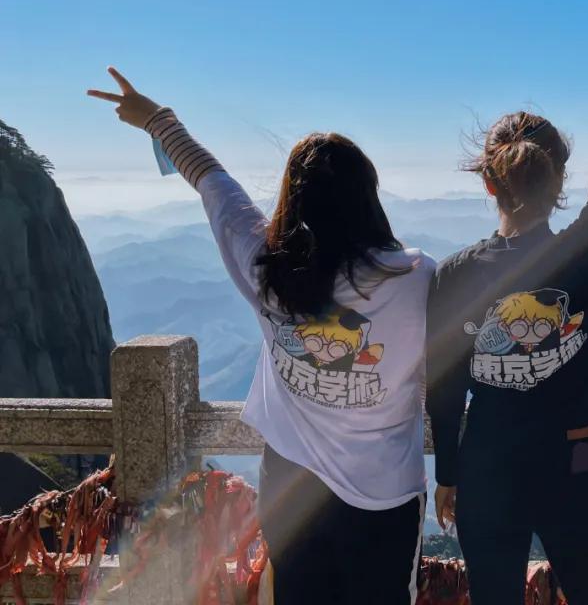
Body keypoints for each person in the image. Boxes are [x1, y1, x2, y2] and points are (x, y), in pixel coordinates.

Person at [88, 70, 434, 604]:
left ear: (293, 200)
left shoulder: (266, 269)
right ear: (369, 197)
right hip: (384, 494)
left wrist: (159, 121)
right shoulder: (415, 277)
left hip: (290, 492)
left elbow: (215, 184)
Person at [425, 0, 588, 603]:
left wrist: (448, 476)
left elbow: (444, 388)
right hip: (575, 455)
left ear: (488, 184)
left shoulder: (455, 274)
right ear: (561, 179)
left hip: (487, 462)